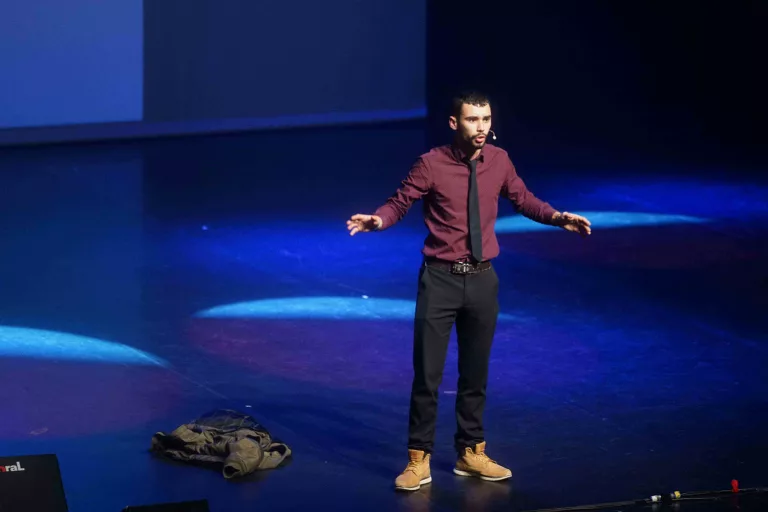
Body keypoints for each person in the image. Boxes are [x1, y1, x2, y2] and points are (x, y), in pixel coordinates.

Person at [346, 91, 591, 491]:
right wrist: (378, 220)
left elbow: (523, 198)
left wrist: (556, 217)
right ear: (454, 123)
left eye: (486, 119)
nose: (481, 128)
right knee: (427, 374)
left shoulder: (500, 161)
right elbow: (399, 202)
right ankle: (418, 459)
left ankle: (471, 452)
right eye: (473, 120)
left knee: (474, 374)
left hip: (482, 279)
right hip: (440, 279)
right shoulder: (431, 164)